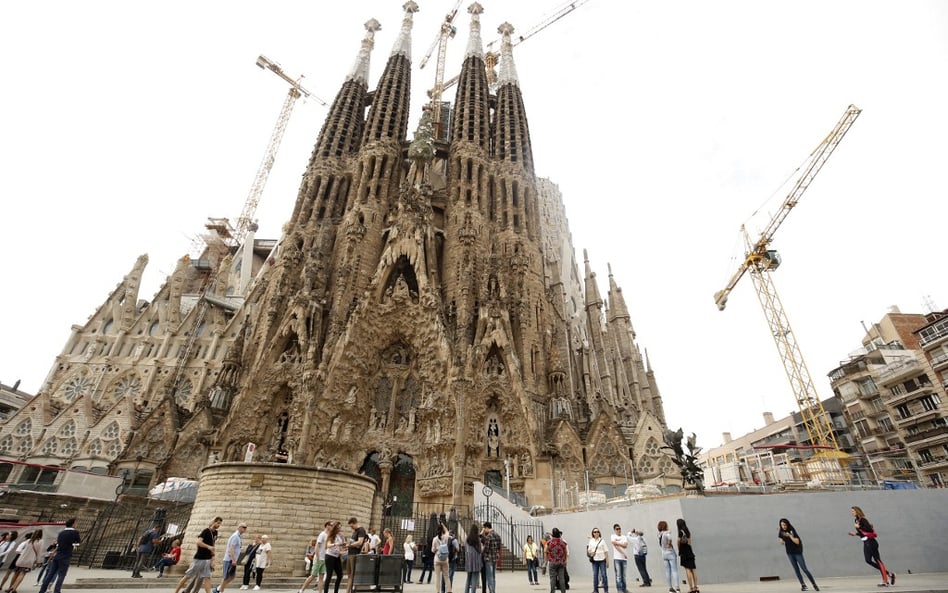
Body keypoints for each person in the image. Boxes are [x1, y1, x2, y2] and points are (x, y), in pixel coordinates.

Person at [174, 516, 222, 593]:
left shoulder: (215, 533)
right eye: (218, 523)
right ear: (213, 522)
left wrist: (213, 559)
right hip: (199, 558)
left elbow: (213, 546)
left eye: (220, 523)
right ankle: (176, 591)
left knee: (207, 577)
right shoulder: (206, 531)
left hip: (208, 559)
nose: (219, 525)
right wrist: (208, 547)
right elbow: (198, 542)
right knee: (188, 576)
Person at [849, 506, 894, 587]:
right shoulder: (856, 520)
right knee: (868, 560)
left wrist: (859, 527)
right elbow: (863, 533)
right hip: (865, 542)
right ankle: (889, 574)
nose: (852, 512)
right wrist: (855, 534)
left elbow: (869, 529)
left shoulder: (863, 519)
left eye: (853, 511)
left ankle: (885, 581)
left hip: (871, 542)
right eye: (851, 511)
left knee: (878, 561)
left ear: (857, 511)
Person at [38, 517, 81, 593]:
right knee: (61, 575)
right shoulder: (75, 532)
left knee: (50, 574)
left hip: (57, 555)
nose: (77, 524)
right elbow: (78, 543)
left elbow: (58, 544)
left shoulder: (61, 533)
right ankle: (57, 591)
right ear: (73, 524)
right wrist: (74, 545)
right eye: (76, 523)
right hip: (65, 556)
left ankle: (42, 590)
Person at [778, 518, 819, 591]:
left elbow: (797, 542)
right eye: (782, 525)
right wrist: (782, 541)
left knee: (804, 569)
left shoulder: (791, 530)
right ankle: (803, 585)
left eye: (784, 525)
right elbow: (781, 540)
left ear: (787, 524)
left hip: (797, 553)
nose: (783, 526)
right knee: (796, 570)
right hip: (789, 553)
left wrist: (790, 536)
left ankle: (814, 584)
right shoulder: (781, 531)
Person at [214, 522, 247, 593]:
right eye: (244, 527)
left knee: (232, 576)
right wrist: (233, 560)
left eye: (245, 527)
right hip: (229, 560)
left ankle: (218, 588)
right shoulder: (235, 536)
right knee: (226, 576)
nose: (245, 529)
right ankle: (220, 591)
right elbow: (231, 548)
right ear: (239, 528)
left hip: (232, 559)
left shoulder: (238, 536)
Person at [299, 521, 331, 593]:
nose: (332, 527)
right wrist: (318, 558)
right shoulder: (322, 534)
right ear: (327, 526)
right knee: (312, 576)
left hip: (324, 559)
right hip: (319, 559)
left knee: (321, 577)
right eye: (331, 525)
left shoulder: (328, 535)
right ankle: (301, 590)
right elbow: (317, 546)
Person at [8, 529, 42, 593]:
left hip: (20, 559)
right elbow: (39, 553)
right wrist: (38, 561)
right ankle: (14, 588)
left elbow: (20, 550)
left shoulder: (28, 541)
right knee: (22, 574)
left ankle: (10, 587)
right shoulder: (40, 542)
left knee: (16, 573)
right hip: (29, 561)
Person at [345, 518, 368, 593]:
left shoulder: (361, 530)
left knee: (352, 574)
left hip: (354, 554)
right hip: (350, 553)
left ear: (355, 523)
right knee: (349, 574)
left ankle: (350, 590)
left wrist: (350, 545)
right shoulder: (355, 531)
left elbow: (360, 542)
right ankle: (347, 591)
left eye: (352, 526)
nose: (351, 528)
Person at [323, 522, 346, 593]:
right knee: (329, 575)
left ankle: (336, 591)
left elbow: (342, 546)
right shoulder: (331, 535)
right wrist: (337, 544)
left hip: (337, 557)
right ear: (335, 528)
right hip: (330, 556)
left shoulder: (340, 535)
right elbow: (328, 545)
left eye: (340, 527)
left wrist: (343, 540)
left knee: (340, 575)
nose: (340, 529)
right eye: (339, 527)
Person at [676, 520, 698, 593]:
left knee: (687, 569)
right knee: (693, 569)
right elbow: (689, 542)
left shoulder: (680, 532)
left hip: (684, 551)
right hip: (689, 550)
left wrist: (679, 549)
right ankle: (696, 587)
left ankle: (691, 588)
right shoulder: (687, 531)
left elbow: (678, 541)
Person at [657, 521, 679, 593]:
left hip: (664, 553)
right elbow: (670, 538)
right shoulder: (666, 533)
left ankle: (670, 588)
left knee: (667, 571)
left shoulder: (659, 534)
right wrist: (669, 544)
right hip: (670, 552)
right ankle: (677, 588)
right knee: (674, 570)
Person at [480, 522, 501, 593]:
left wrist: (482, 552)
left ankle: (491, 591)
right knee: (493, 576)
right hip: (495, 558)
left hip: (488, 559)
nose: (484, 530)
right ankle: (493, 591)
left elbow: (486, 548)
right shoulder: (497, 535)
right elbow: (499, 547)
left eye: (484, 528)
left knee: (489, 577)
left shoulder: (489, 536)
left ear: (486, 528)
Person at [546, 528, 569, 593]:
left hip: (552, 562)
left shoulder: (549, 542)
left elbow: (545, 550)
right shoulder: (563, 542)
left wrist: (548, 558)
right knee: (561, 578)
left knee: (552, 578)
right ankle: (563, 591)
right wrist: (565, 560)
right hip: (561, 562)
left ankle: (552, 591)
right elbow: (565, 552)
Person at [587, 527, 609, 593]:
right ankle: (595, 590)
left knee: (604, 575)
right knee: (595, 575)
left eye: (597, 532)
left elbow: (606, 551)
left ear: (599, 533)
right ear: (593, 533)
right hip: (595, 560)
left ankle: (606, 590)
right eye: (595, 532)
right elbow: (589, 551)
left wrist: (607, 561)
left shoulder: (602, 541)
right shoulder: (591, 541)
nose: (596, 533)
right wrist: (591, 553)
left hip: (602, 560)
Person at [432, 524, 453, 593]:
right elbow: (447, 531)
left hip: (437, 559)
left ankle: (438, 591)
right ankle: (449, 590)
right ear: (443, 530)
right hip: (445, 559)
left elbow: (432, 550)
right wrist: (443, 525)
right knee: (446, 576)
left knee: (437, 576)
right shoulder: (446, 537)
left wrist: (437, 549)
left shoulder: (435, 539)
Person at [463, 524, 482, 593]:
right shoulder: (477, 539)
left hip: (469, 561)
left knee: (468, 579)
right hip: (476, 561)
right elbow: (480, 550)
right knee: (474, 579)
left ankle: (466, 591)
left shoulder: (467, 539)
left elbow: (465, 549)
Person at [611, 524, 629, 593]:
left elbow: (625, 545)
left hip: (624, 559)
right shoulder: (613, 536)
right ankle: (619, 589)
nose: (619, 530)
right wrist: (623, 553)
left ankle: (624, 589)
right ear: (614, 530)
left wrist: (617, 543)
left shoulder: (624, 536)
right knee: (618, 575)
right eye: (617, 529)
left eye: (619, 528)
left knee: (624, 575)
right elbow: (614, 545)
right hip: (617, 558)